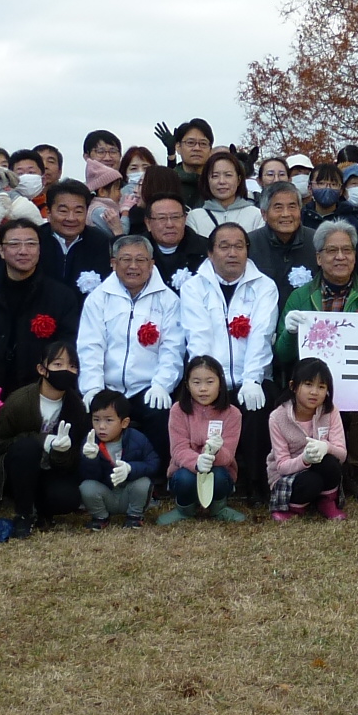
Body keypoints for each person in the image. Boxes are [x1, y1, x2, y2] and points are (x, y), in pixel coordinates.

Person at [276, 221, 358, 496]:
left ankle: (357, 473)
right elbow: (282, 353)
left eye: (347, 250)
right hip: (311, 383)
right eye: (332, 250)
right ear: (318, 257)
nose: (340, 257)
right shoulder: (301, 296)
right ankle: (307, 468)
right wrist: (290, 332)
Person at [179, 222, 279, 501]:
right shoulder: (193, 287)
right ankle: (201, 481)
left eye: (239, 246)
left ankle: (257, 484)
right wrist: (207, 382)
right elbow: (198, 337)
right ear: (210, 253)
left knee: (258, 410)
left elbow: (262, 333)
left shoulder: (264, 286)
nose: (232, 253)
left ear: (248, 250)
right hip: (210, 379)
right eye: (224, 246)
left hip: (253, 377)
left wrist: (252, 379)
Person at [78, 234, 184, 475]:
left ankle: (154, 478)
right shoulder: (98, 299)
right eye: (126, 259)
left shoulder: (168, 300)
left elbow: (173, 349)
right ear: (113, 263)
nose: (133, 266)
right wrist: (92, 387)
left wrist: (162, 385)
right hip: (108, 386)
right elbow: (90, 346)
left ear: (151, 264)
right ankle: (97, 474)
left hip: (147, 386)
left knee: (160, 414)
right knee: (89, 413)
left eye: (140, 259)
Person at [0, 217, 80, 398]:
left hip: (40, 394)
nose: (23, 251)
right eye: (15, 244)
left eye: (31, 244)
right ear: (1, 251)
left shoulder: (61, 297)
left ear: (40, 249)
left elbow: (68, 348)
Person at [0, 338, 92, 532]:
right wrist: (42, 440)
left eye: (72, 366)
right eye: (58, 364)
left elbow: (71, 462)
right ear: (42, 369)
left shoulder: (76, 407)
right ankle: (23, 513)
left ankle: (42, 510)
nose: (66, 370)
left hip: (50, 471)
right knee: (27, 448)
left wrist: (61, 452)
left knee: (68, 498)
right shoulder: (19, 401)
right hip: (16, 471)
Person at [161, 355, 246, 524]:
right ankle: (185, 509)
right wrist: (197, 461)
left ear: (220, 384)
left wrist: (214, 454)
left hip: (219, 468)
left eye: (209, 382)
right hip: (185, 469)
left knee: (220, 476)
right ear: (187, 384)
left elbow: (228, 454)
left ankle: (218, 508)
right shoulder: (178, 410)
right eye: (196, 382)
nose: (203, 389)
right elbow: (178, 449)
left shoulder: (233, 413)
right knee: (185, 478)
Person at [266, 357, 347, 522]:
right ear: (293, 386)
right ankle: (294, 508)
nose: (314, 392)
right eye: (308, 384)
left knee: (330, 462)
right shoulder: (277, 417)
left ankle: (327, 502)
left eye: (321, 387)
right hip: (289, 476)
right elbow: (281, 466)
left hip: (319, 468)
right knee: (311, 481)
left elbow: (342, 454)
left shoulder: (331, 412)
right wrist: (304, 459)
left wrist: (326, 447)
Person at [77, 388, 160, 530]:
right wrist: (90, 459)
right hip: (106, 492)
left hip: (128, 491)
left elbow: (153, 463)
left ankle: (134, 516)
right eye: (96, 420)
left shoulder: (137, 439)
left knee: (143, 483)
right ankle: (100, 516)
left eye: (109, 420)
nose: (101, 426)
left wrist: (131, 468)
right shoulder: (90, 442)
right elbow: (87, 477)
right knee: (87, 486)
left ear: (124, 422)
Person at [42, 178, 112, 296]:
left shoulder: (100, 241)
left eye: (78, 211)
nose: (71, 218)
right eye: (63, 211)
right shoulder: (35, 239)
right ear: (48, 212)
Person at [247, 181, 318, 297]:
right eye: (278, 208)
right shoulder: (249, 244)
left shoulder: (316, 241)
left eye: (292, 207)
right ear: (264, 214)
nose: (286, 214)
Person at [184, 149, 262, 242]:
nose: (221, 181)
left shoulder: (256, 216)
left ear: (239, 180)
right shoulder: (194, 217)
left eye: (228, 175)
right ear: (207, 180)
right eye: (215, 176)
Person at [139, 189, 211, 288]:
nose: (170, 224)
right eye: (162, 218)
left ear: (185, 219)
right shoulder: (136, 251)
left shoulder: (206, 250)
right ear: (148, 223)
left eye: (175, 217)